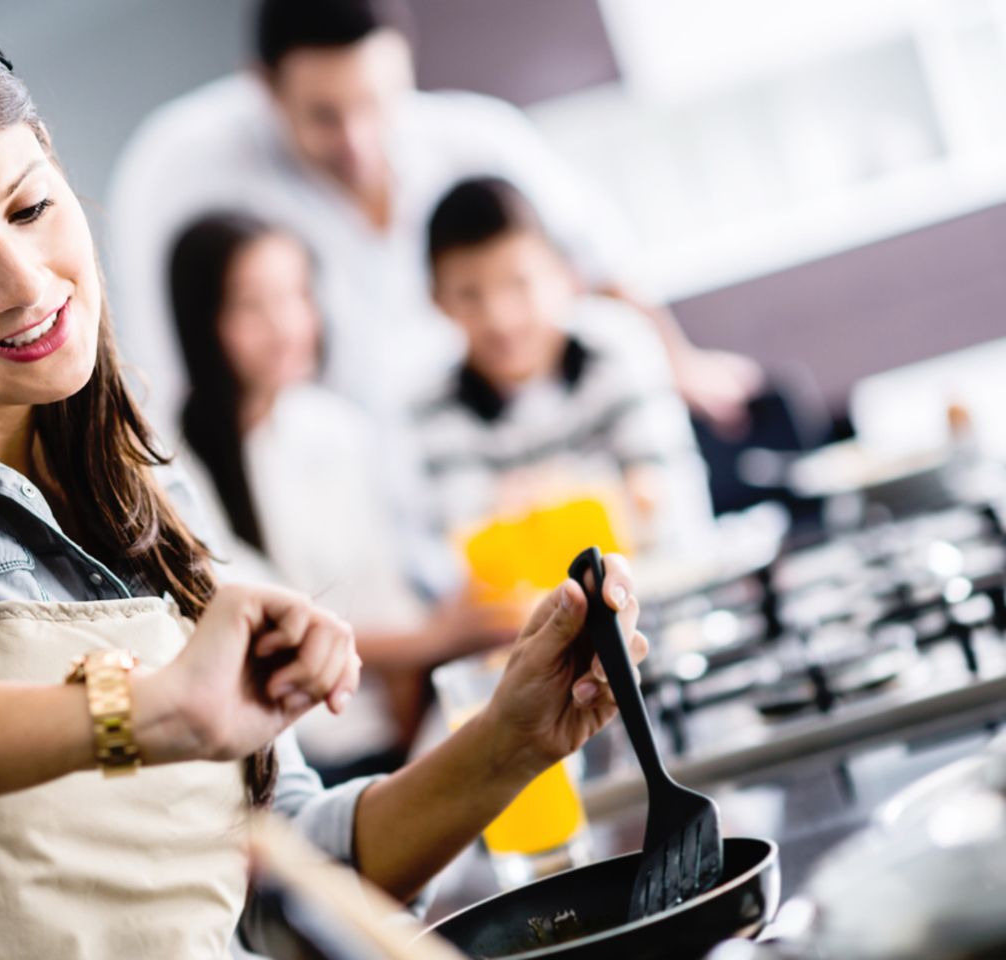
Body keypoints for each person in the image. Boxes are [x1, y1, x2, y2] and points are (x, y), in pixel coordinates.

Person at [0, 6, 645, 959]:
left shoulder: (138, 482)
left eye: (33, 208)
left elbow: (279, 865)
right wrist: (138, 714)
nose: (26, 283)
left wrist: (513, 739)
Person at [107, 0, 762, 435]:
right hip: (341, 482)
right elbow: (167, 379)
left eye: (377, 101)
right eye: (325, 116)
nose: (359, 141)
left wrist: (682, 364)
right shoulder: (181, 166)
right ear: (264, 87)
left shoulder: (477, 136)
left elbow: (597, 260)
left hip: (496, 451)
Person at [166, 212, 515, 782]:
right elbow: (266, 629)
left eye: (297, 296)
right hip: (293, 752)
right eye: (251, 305)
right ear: (203, 320)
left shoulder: (334, 428)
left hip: (394, 729)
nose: (286, 325)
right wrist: (437, 636)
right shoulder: (178, 467)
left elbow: (386, 590)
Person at [414, 176, 716, 567]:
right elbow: (467, 560)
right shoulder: (430, 409)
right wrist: (605, 499)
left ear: (562, 274)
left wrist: (531, 513)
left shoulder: (618, 346)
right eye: (469, 294)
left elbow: (671, 508)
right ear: (438, 300)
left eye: (518, 284)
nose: (500, 317)